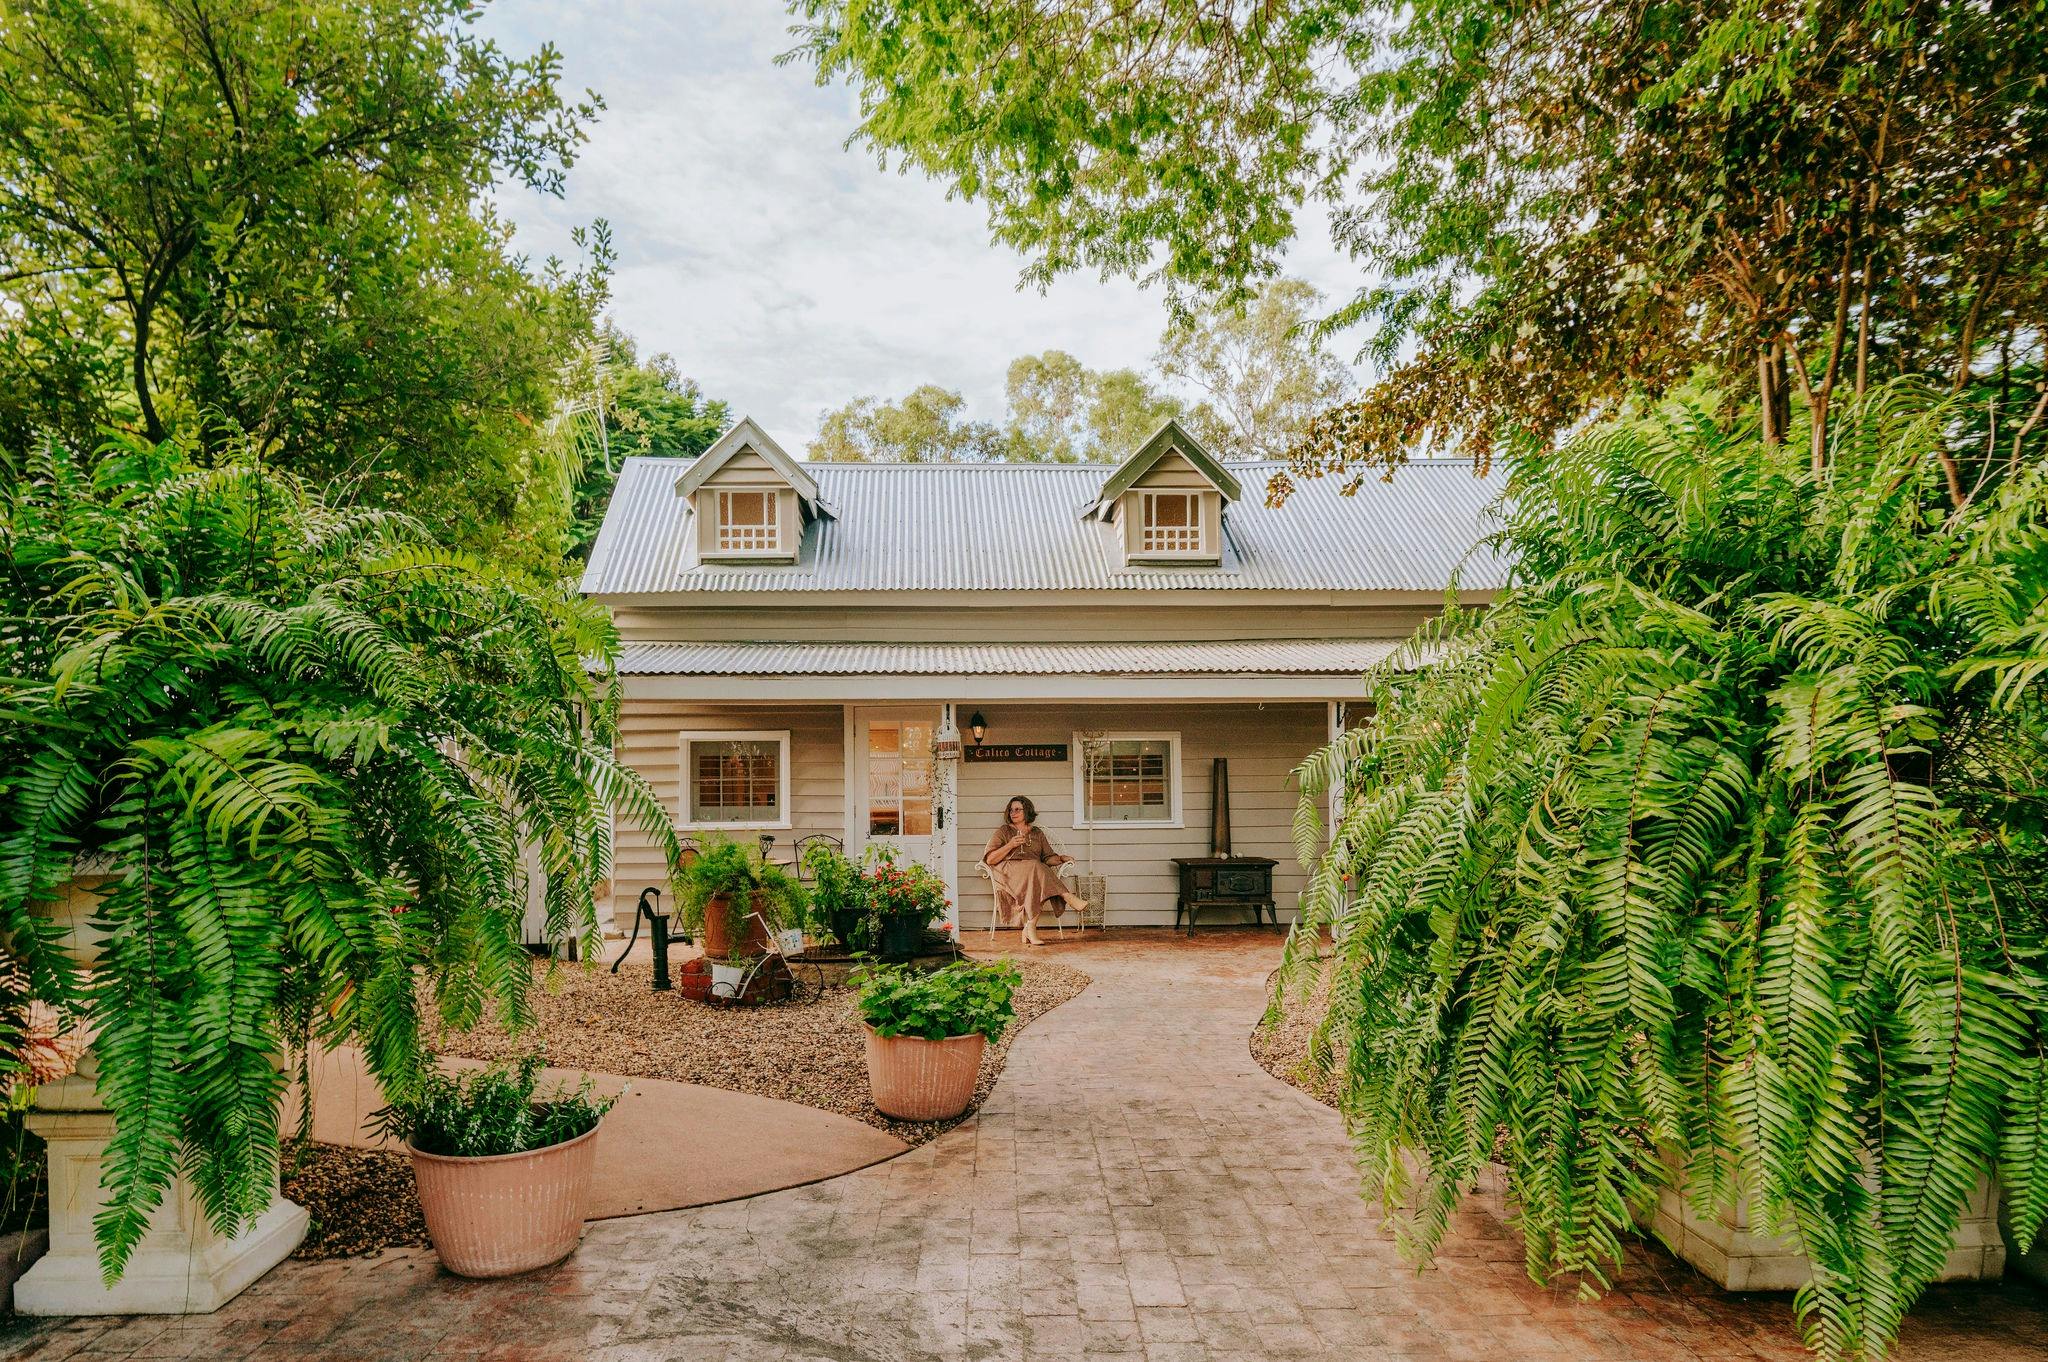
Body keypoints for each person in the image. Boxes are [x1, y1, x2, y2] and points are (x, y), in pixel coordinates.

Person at [982, 794, 1088, 946]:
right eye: (1011, 810)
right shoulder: (1003, 831)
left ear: (1027, 811)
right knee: (1035, 866)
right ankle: (1067, 896)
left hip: (1032, 873)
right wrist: (1010, 845)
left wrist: (1061, 858)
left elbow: (1048, 858)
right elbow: (990, 859)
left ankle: (1029, 928)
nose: (1013, 813)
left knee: (1036, 874)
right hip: (1008, 872)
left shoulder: (1037, 832)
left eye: (1017, 809)